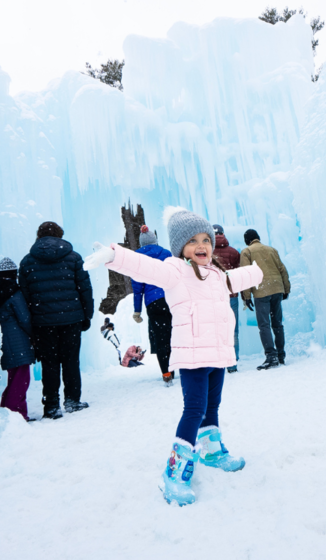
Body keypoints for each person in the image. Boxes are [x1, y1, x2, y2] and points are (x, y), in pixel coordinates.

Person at [83, 207, 263, 506]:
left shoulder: (217, 274)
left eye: (205, 239)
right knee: (194, 408)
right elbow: (144, 268)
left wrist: (256, 271)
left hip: (217, 352)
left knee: (212, 405)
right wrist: (114, 255)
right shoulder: (174, 271)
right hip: (192, 356)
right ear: (181, 248)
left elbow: (234, 280)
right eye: (193, 241)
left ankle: (211, 450)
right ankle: (175, 471)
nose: (202, 245)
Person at [19, 221, 94, 420]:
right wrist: (87, 315)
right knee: (71, 360)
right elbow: (85, 288)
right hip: (71, 319)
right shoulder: (74, 258)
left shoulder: (27, 262)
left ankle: (51, 406)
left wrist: (30, 325)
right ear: (60, 235)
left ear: (39, 236)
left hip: (43, 323)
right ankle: (72, 400)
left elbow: (25, 297)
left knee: (49, 364)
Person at [0, 258, 35, 421]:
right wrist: (34, 335)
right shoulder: (14, 291)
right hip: (18, 340)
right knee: (21, 378)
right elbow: (25, 318)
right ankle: (16, 413)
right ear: (14, 275)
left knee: (14, 377)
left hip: (2, 339)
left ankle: (6, 410)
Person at [239, 229, 290, 370]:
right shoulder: (271, 249)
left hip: (262, 292)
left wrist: (247, 296)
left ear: (246, 240)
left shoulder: (247, 252)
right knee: (277, 324)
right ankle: (280, 355)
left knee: (264, 325)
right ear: (258, 238)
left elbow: (246, 274)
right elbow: (282, 270)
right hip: (277, 289)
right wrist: (286, 289)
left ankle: (271, 356)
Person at [131, 225, 175, 384]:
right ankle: (175, 367)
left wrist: (137, 310)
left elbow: (137, 288)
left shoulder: (137, 259)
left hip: (153, 303)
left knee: (161, 337)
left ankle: (166, 373)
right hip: (170, 299)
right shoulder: (166, 253)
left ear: (141, 243)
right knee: (173, 335)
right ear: (155, 240)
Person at [212, 224, 241, 372]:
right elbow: (238, 274)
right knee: (233, 329)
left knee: (215, 330)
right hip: (232, 295)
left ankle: (218, 362)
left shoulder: (207, 253)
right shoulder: (233, 252)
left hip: (214, 298)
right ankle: (232, 362)